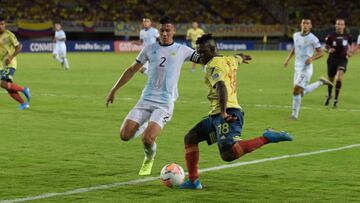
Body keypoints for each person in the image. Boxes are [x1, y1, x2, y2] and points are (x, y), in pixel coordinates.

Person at [179, 34, 293, 189]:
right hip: (216, 114)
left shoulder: (213, 65)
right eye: (198, 52)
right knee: (191, 138)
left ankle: (267, 137)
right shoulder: (229, 59)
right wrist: (242, 57)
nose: (199, 55)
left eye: (202, 51)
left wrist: (224, 112)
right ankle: (193, 181)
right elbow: (237, 57)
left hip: (228, 112)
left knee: (228, 154)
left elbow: (221, 86)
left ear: (212, 49)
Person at [106, 17, 201, 176]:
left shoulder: (182, 50)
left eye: (167, 30)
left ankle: (148, 159)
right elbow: (131, 70)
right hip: (146, 99)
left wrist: (228, 58)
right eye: (162, 30)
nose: (164, 33)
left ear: (173, 31)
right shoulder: (149, 48)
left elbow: (204, 59)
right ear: (159, 31)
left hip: (164, 103)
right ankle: (142, 124)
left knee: (147, 139)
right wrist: (113, 90)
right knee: (124, 136)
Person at [283, 19, 332, 120]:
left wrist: (311, 58)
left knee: (296, 90)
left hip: (306, 68)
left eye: (307, 23)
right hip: (297, 68)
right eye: (303, 23)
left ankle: (294, 116)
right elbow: (295, 48)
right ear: (301, 24)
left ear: (310, 26)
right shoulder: (295, 35)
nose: (305, 25)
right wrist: (288, 59)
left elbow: (321, 52)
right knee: (299, 93)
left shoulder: (313, 38)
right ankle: (320, 82)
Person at [0, 17, 31, 110]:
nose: (0, 26)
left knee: (2, 83)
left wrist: (11, 57)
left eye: (2, 24)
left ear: (5, 25)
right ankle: (24, 104)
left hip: (10, 63)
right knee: (8, 87)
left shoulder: (9, 35)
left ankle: (23, 89)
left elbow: (19, 47)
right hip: (2, 64)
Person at [324, 19, 354, 108]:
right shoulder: (330, 36)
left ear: (344, 26)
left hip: (342, 59)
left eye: (341, 24)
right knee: (331, 79)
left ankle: (336, 100)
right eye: (338, 24)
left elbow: (350, 47)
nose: (340, 26)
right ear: (335, 25)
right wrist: (329, 49)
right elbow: (325, 46)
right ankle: (329, 95)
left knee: (339, 77)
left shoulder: (348, 36)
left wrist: (350, 52)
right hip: (332, 60)